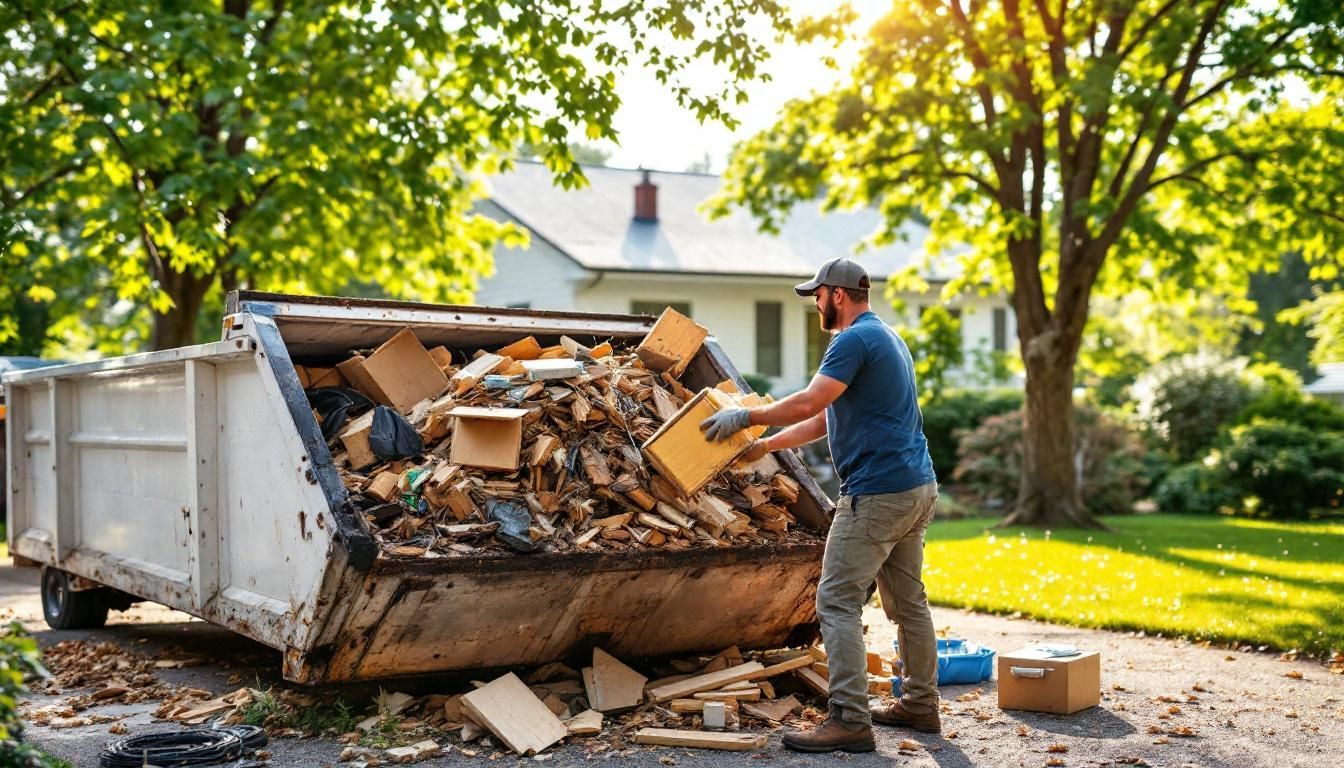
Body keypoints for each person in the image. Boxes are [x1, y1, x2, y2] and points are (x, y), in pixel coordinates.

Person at [699, 257, 941, 753]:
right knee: (909, 604)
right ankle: (920, 704)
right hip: (915, 487)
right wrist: (766, 444)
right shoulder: (884, 336)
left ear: (838, 293)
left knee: (836, 601)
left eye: (817, 296)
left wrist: (747, 415)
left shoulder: (852, 340)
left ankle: (850, 721)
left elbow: (810, 401)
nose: (815, 304)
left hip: (876, 493)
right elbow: (825, 418)